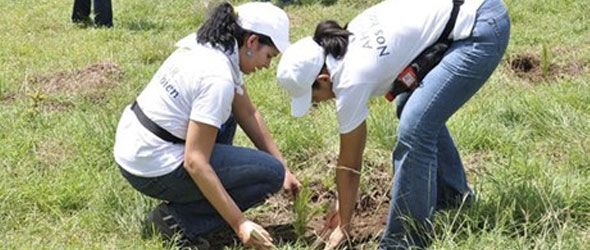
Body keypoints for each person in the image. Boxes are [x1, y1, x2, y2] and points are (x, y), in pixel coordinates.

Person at [276, 0, 510, 249]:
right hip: (471, 12)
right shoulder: (346, 40)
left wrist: (344, 224)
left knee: (415, 129)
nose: (316, 103)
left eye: (313, 97)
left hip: (481, 29)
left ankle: (404, 241)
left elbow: (350, 164)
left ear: (323, 79)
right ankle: (454, 199)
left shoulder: (350, 78)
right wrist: (342, 203)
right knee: (408, 104)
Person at [113, 2, 300, 249]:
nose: (267, 65)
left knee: (265, 155)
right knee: (269, 175)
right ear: (252, 42)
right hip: (153, 165)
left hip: (135, 146)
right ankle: (177, 221)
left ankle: (205, 198)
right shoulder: (217, 77)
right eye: (270, 56)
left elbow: (247, 111)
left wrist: (284, 166)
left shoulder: (210, 44)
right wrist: (240, 223)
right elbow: (195, 161)